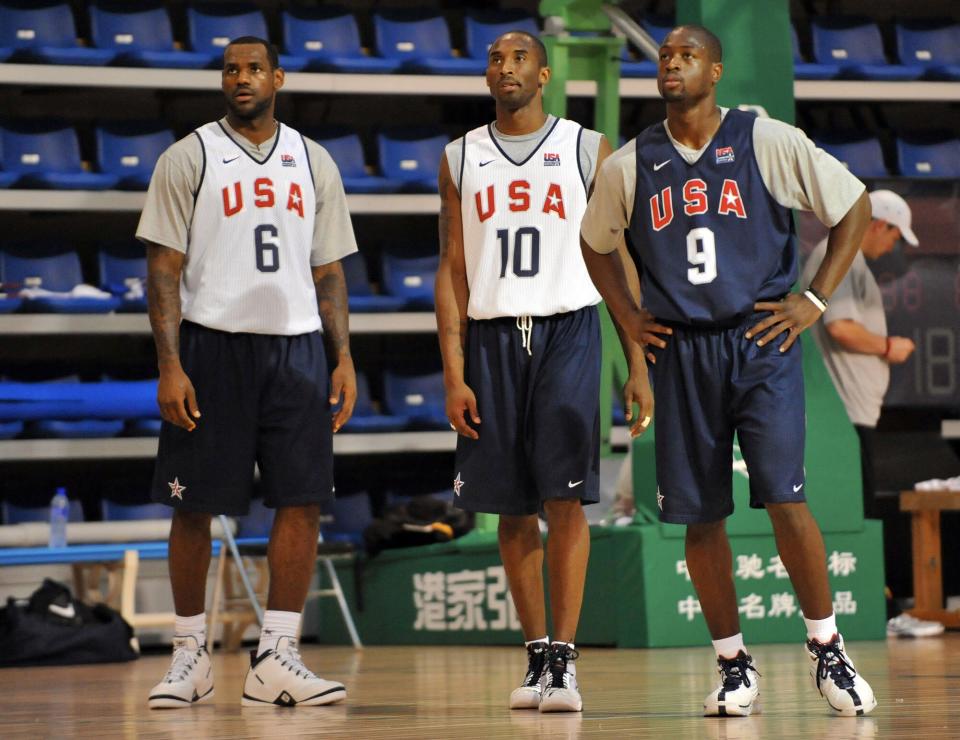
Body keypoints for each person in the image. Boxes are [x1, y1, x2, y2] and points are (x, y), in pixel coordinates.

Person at [580, 24, 878, 717]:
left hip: (761, 340)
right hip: (681, 349)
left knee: (785, 497)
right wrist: (628, 321)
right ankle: (733, 663)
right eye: (664, 55)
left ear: (715, 70)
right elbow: (595, 247)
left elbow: (854, 205)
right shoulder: (627, 165)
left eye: (687, 55)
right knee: (699, 516)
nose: (672, 63)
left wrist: (812, 298)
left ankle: (826, 646)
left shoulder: (765, 140)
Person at [136, 36, 358, 709]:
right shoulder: (189, 156)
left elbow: (329, 271)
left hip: (297, 349)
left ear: (278, 77)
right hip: (212, 347)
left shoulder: (312, 160)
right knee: (193, 505)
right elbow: (163, 269)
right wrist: (170, 364)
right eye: (230, 69)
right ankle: (188, 655)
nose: (241, 78)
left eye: (254, 68)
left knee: (302, 500)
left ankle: (276, 657)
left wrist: (343, 356)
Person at [435, 30, 651, 714]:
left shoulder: (589, 148)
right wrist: (453, 370)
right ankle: (536, 656)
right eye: (495, 58)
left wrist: (637, 362)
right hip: (493, 334)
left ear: (546, 72)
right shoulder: (459, 157)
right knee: (511, 505)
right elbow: (452, 268)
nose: (505, 67)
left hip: (568, 328)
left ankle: (566, 655)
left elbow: (619, 262)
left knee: (565, 498)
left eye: (519, 56)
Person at [801, 191, 943, 639]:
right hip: (841, 417)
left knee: (856, 509)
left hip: (854, 414)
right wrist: (887, 346)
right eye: (897, 236)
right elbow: (840, 327)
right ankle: (870, 612)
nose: (895, 247)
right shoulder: (837, 257)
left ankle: (871, 609)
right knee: (851, 511)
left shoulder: (850, 262)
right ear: (878, 224)